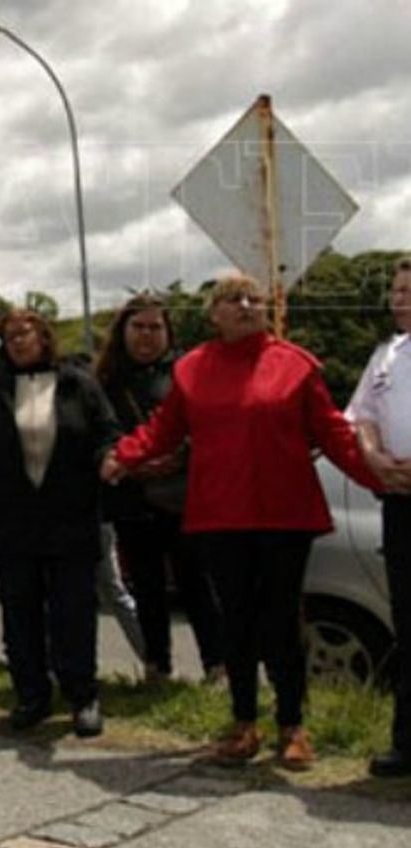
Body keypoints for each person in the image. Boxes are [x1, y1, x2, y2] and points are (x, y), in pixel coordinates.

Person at [103, 273, 381, 769]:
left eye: (254, 299)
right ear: (214, 314)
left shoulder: (296, 366)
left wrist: (377, 475)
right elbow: (164, 430)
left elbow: (335, 435)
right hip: (220, 515)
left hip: (285, 516)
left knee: (281, 622)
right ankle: (243, 723)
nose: (247, 305)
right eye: (234, 299)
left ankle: (293, 726)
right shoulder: (192, 370)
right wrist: (122, 456)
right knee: (236, 624)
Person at [0, 309, 116, 737]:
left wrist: (110, 458)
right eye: (9, 336)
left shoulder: (79, 384)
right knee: (20, 615)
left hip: (70, 520)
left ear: (44, 337)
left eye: (25, 333)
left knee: (73, 613)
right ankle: (32, 696)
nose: (17, 341)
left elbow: (107, 434)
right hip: (14, 524)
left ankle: (83, 697)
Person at [94, 294, 226, 684]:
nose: (147, 336)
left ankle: (217, 667)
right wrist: (133, 461)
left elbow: (208, 425)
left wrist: (178, 455)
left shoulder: (190, 371)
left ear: (168, 331)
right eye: (139, 327)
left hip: (185, 493)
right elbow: (101, 433)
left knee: (197, 584)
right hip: (133, 496)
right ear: (123, 331)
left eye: (155, 327)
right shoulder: (105, 380)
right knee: (147, 588)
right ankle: (157, 668)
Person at [348, 257, 411, 778]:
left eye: (409, 290)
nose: (400, 298)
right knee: (406, 627)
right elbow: (362, 416)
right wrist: (372, 455)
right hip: (399, 502)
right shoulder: (384, 355)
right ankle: (406, 745)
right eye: (395, 290)